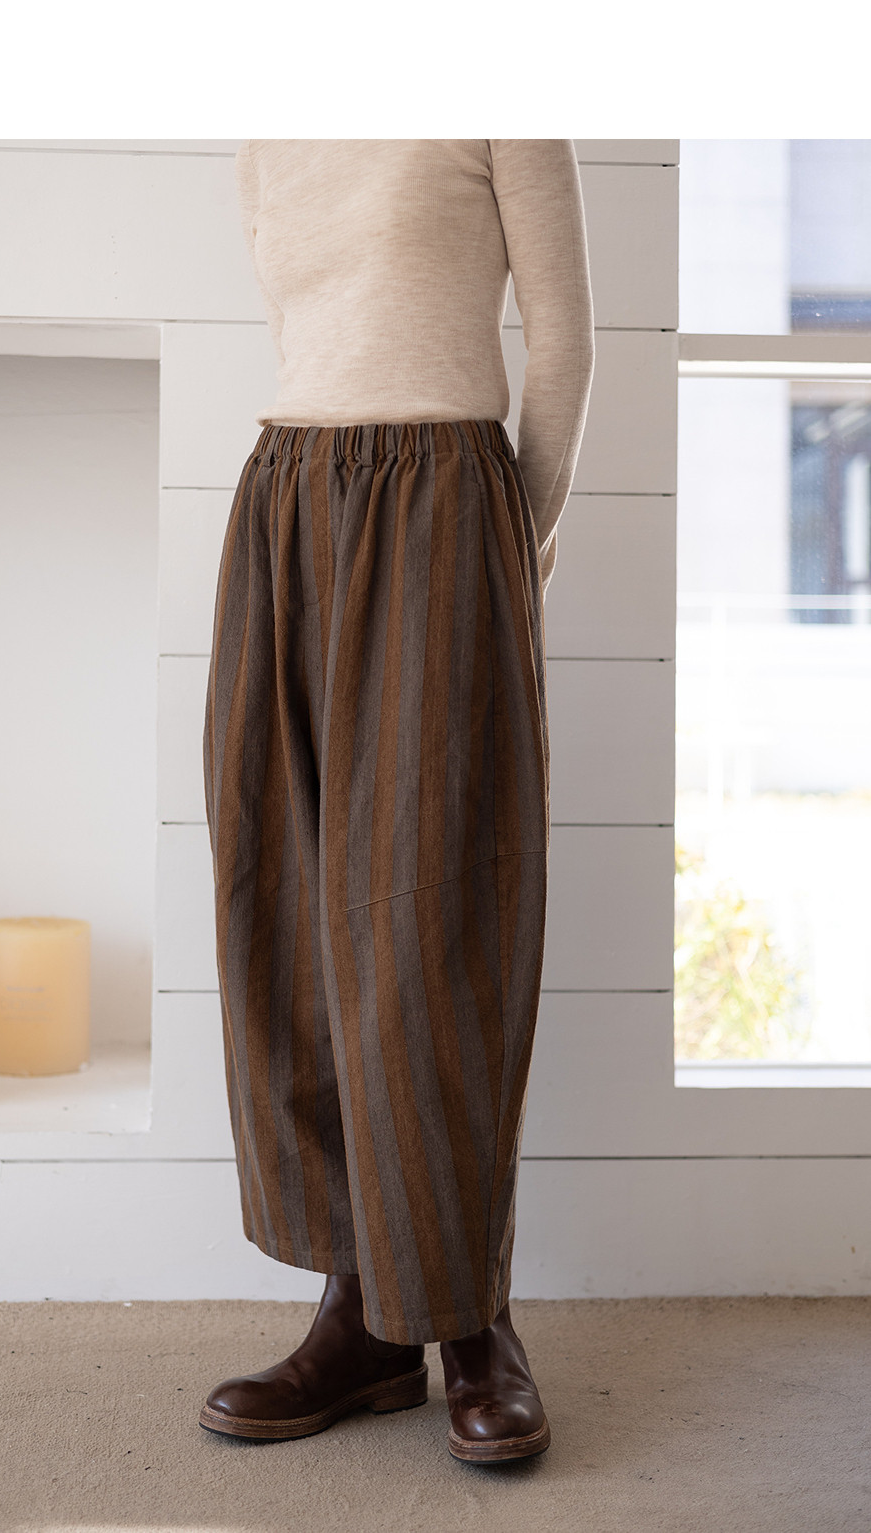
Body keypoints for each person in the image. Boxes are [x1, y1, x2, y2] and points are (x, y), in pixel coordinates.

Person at [199, 139, 594, 1463]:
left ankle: (470, 1317)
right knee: (284, 898)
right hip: (285, 500)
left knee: (436, 926)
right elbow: (309, 337)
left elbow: (564, 345)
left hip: (444, 502)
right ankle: (363, 1315)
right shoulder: (266, 130)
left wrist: (511, 547)